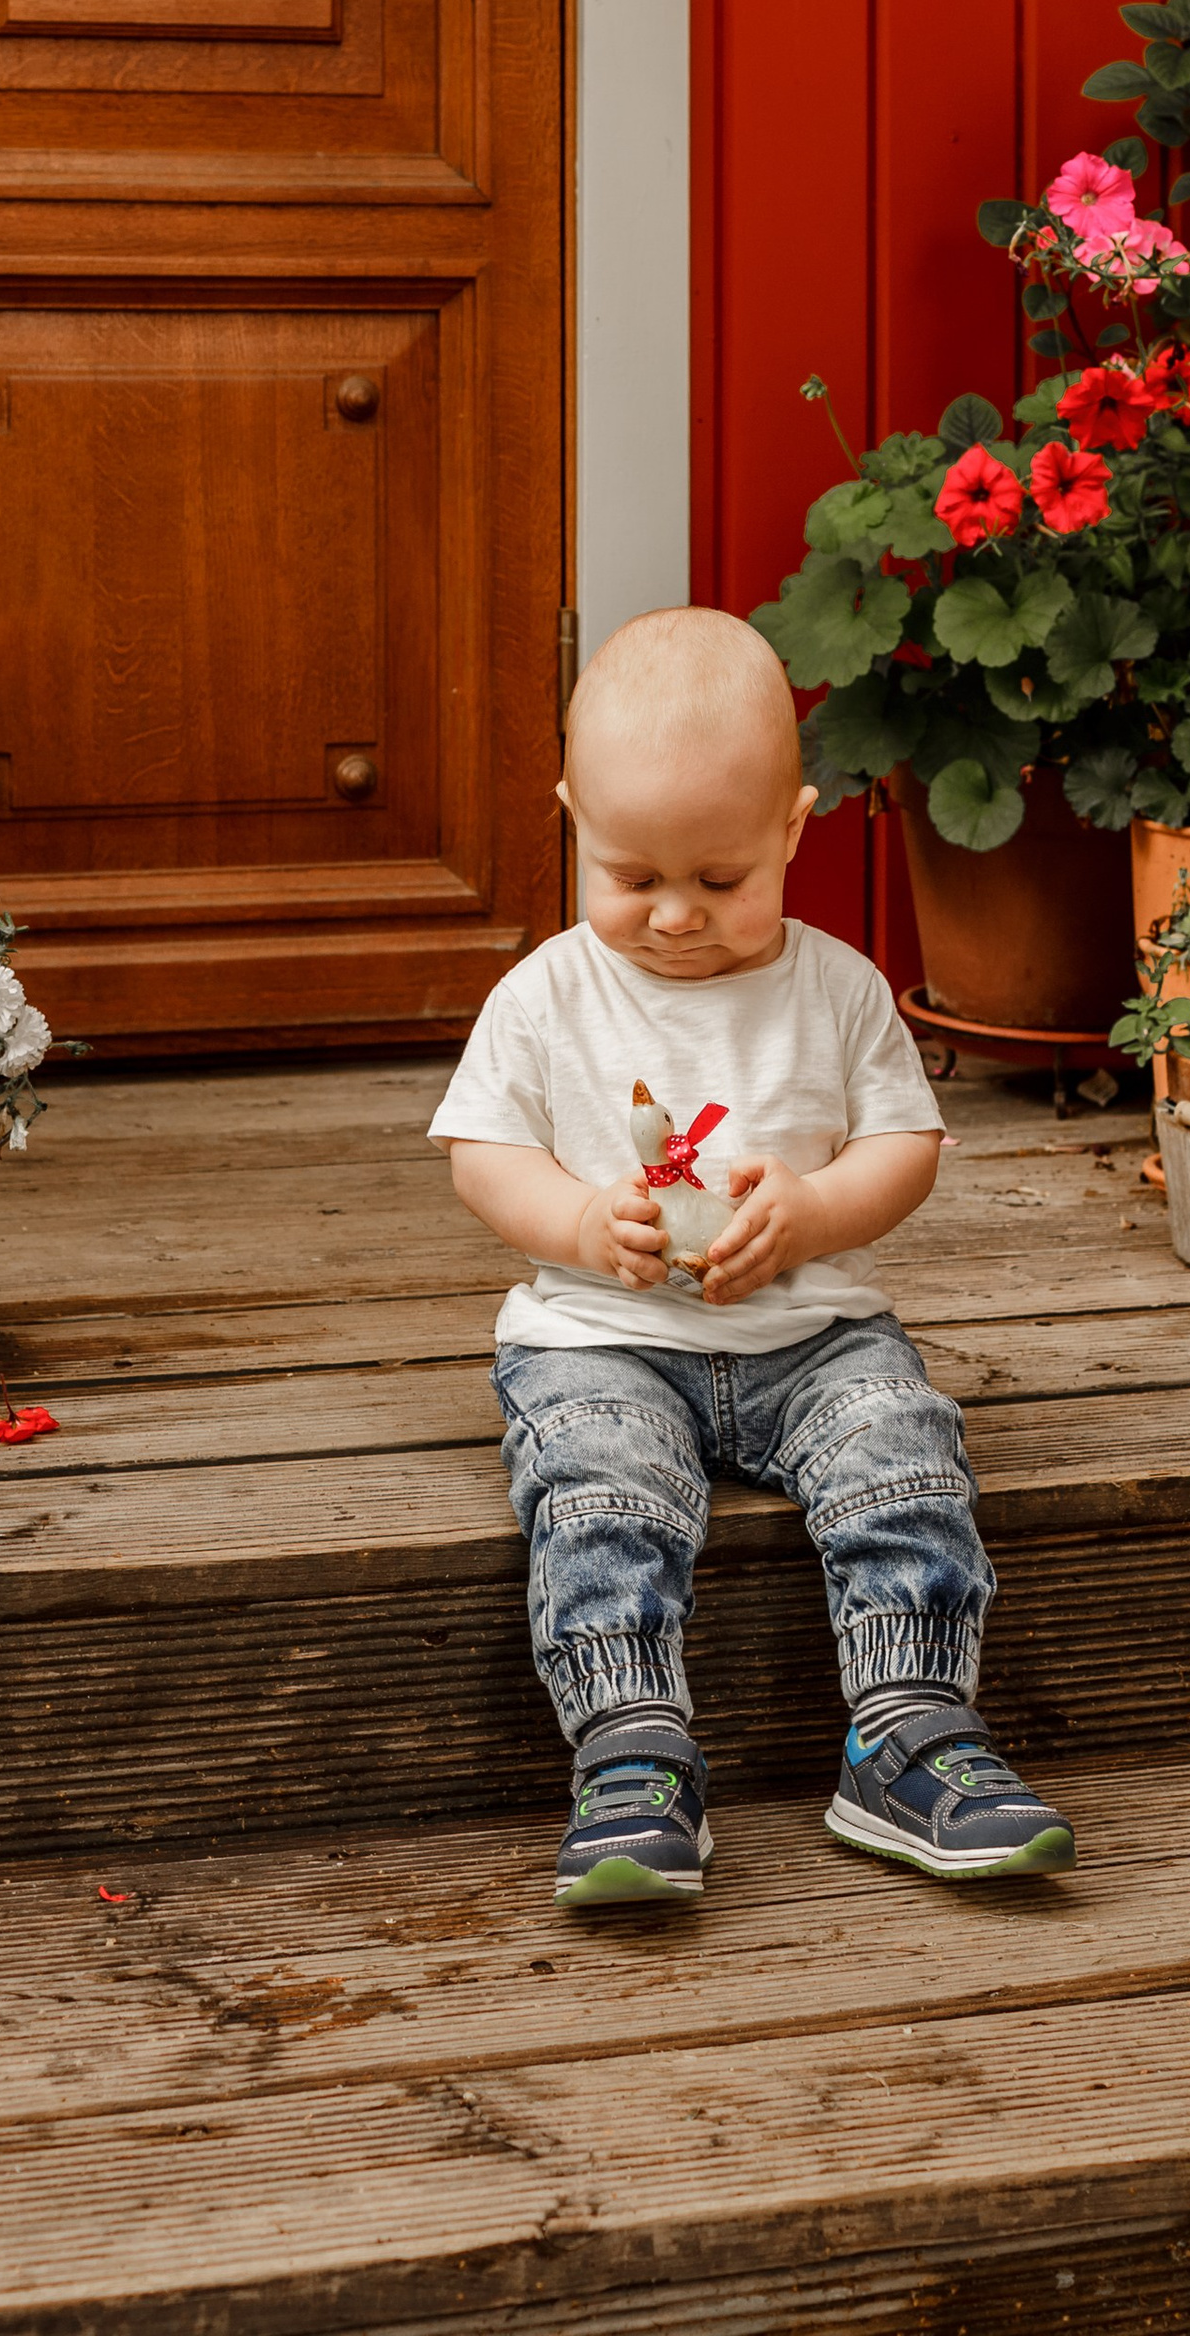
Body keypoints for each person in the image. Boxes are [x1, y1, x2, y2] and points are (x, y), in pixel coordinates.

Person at [431, 604, 1074, 1908]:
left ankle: (909, 1732)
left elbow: (904, 1141)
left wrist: (821, 1212)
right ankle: (631, 1744)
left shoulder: (835, 989)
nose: (674, 917)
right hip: (603, 1339)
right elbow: (483, 1152)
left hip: (809, 1336)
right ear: (573, 823)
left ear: (793, 828)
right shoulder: (547, 994)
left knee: (901, 1442)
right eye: (631, 877)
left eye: (720, 881)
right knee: (601, 1490)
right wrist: (571, 1223)